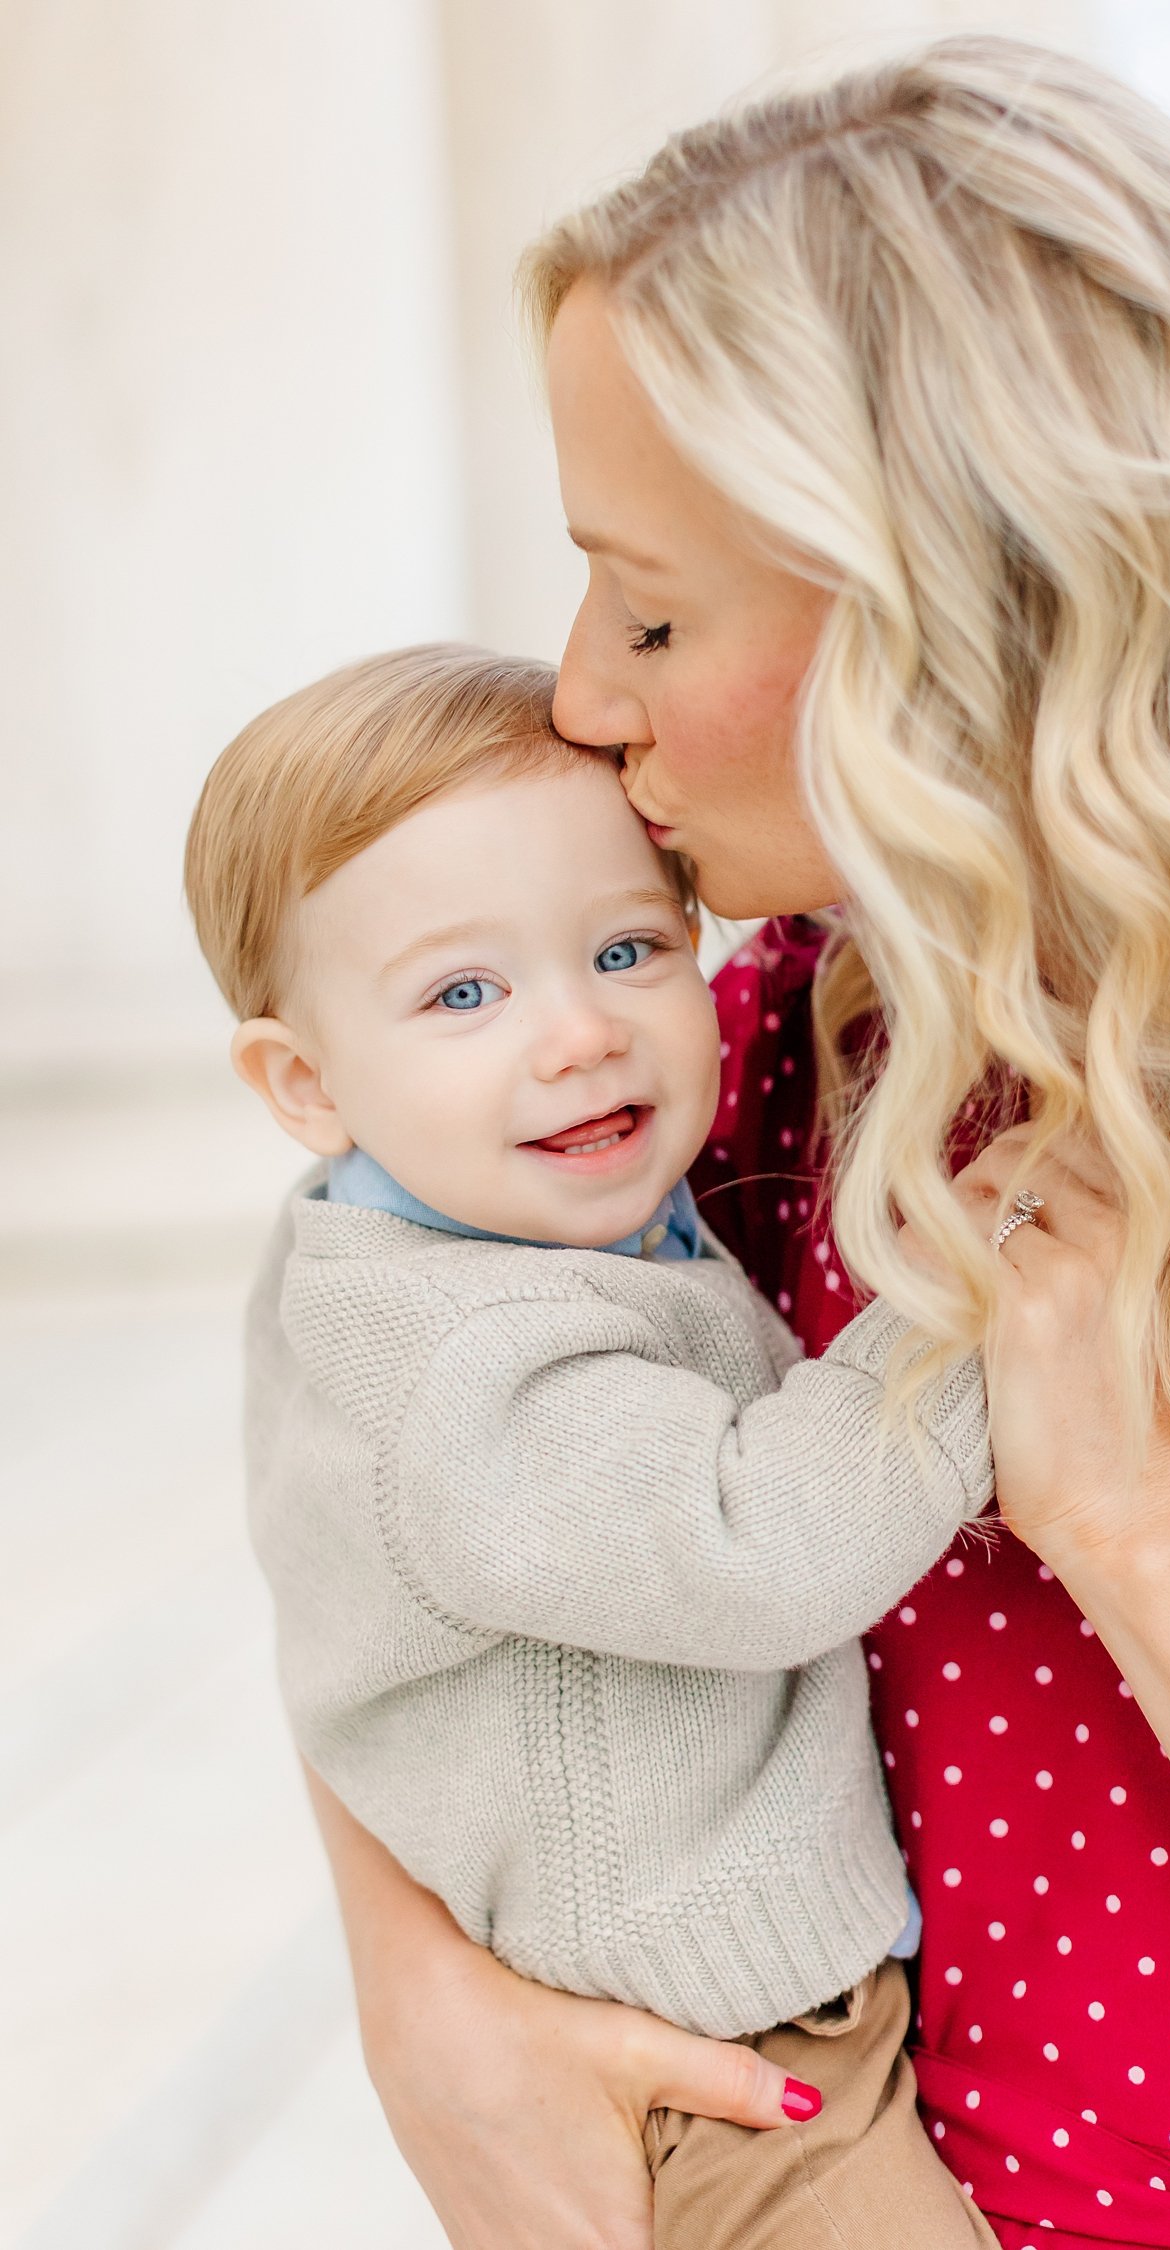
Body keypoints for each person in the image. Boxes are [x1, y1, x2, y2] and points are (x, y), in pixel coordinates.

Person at [294, 37, 1170, 2250]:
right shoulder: (762, 1062)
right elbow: (397, 1462)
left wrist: (1129, 1517)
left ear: (973, 618)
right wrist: (417, 1983)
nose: (580, 691)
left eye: (652, 609)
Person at [184, 643, 1002, 2249]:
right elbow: (759, 1541)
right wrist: (991, 1288)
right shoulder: (460, 1363)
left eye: (628, 948)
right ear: (304, 1081)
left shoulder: (440, 1225)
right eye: (464, 993)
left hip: (728, 2017)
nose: (576, 1035)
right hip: (718, 2080)